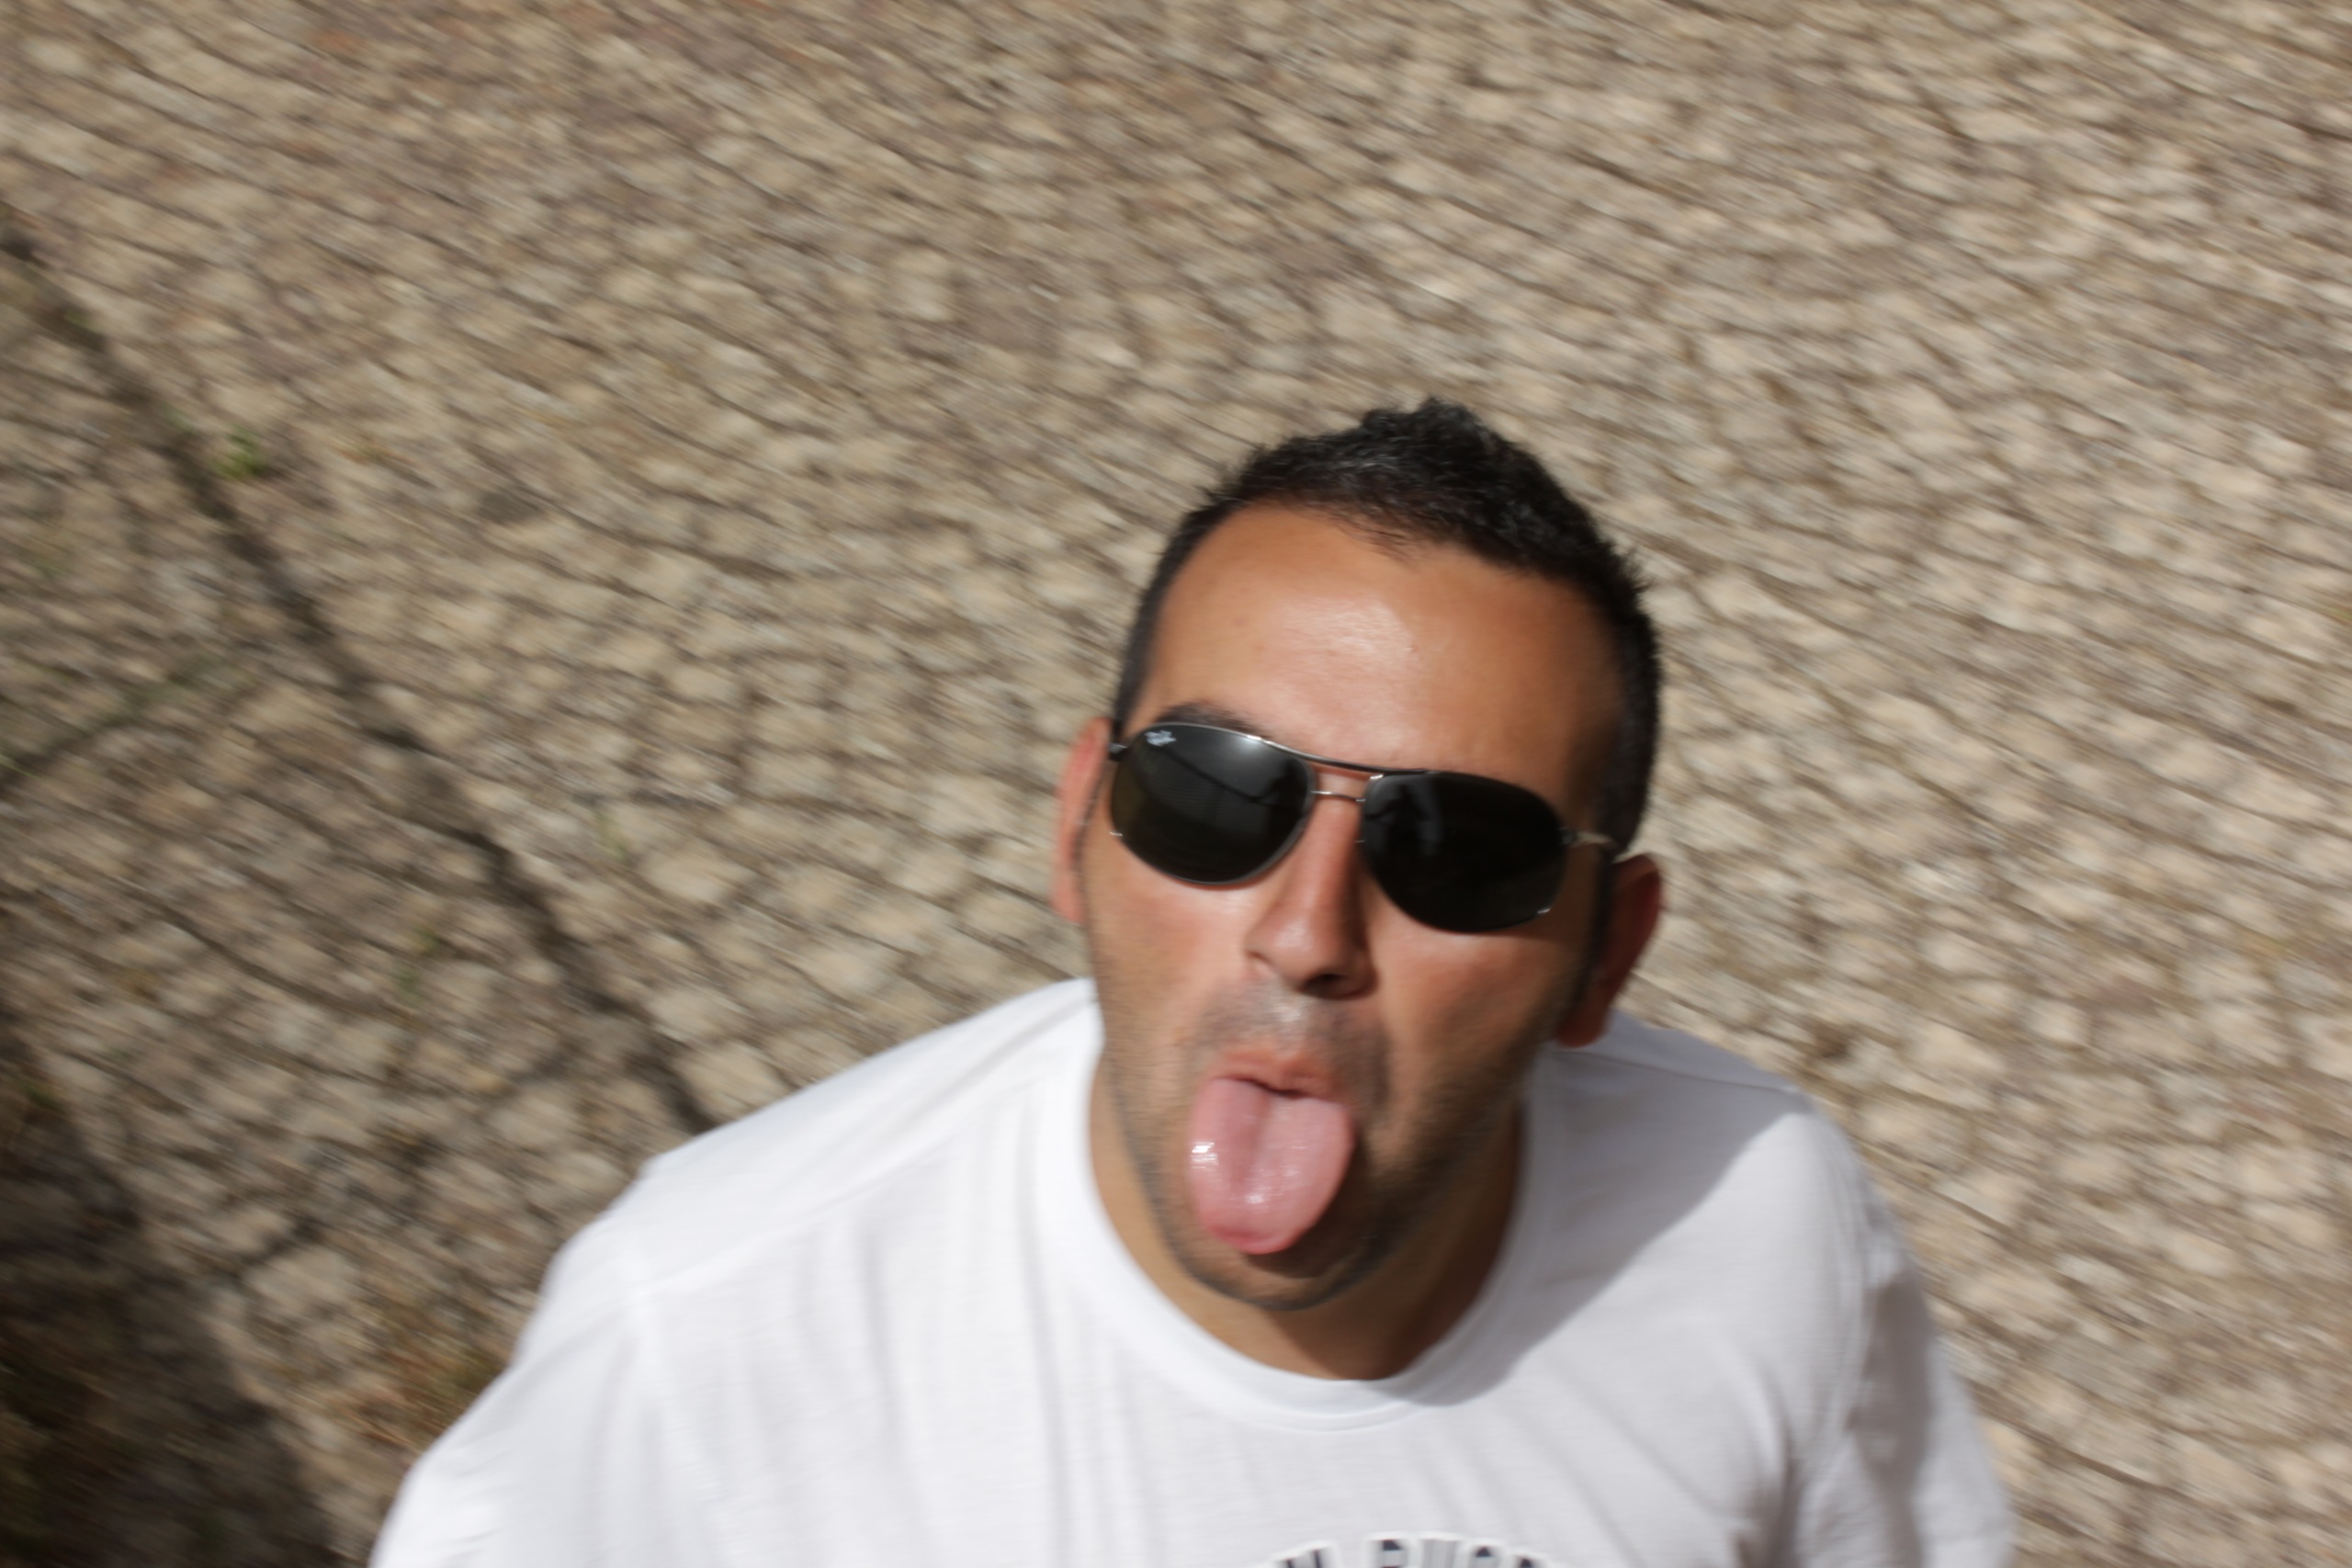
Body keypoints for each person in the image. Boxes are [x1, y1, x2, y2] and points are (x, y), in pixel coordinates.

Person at [373, 400, 2012, 1568]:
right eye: (1216, 795)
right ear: (1077, 828)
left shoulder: (1767, 1229)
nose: (1307, 930)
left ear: (1608, 953)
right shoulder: (704, 1334)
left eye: (1460, 851)